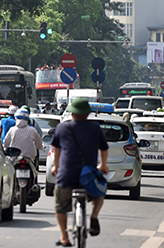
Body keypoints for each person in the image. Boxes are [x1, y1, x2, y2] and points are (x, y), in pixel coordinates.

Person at [50, 98, 109, 246]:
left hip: (66, 175)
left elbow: (56, 150)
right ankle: (94, 216)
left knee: (60, 205)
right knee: (100, 192)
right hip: (87, 176)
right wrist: (103, 165)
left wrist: (55, 167)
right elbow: (104, 148)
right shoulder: (95, 128)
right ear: (87, 114)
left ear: (72, 113)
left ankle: (64, 236)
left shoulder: (62, 128)